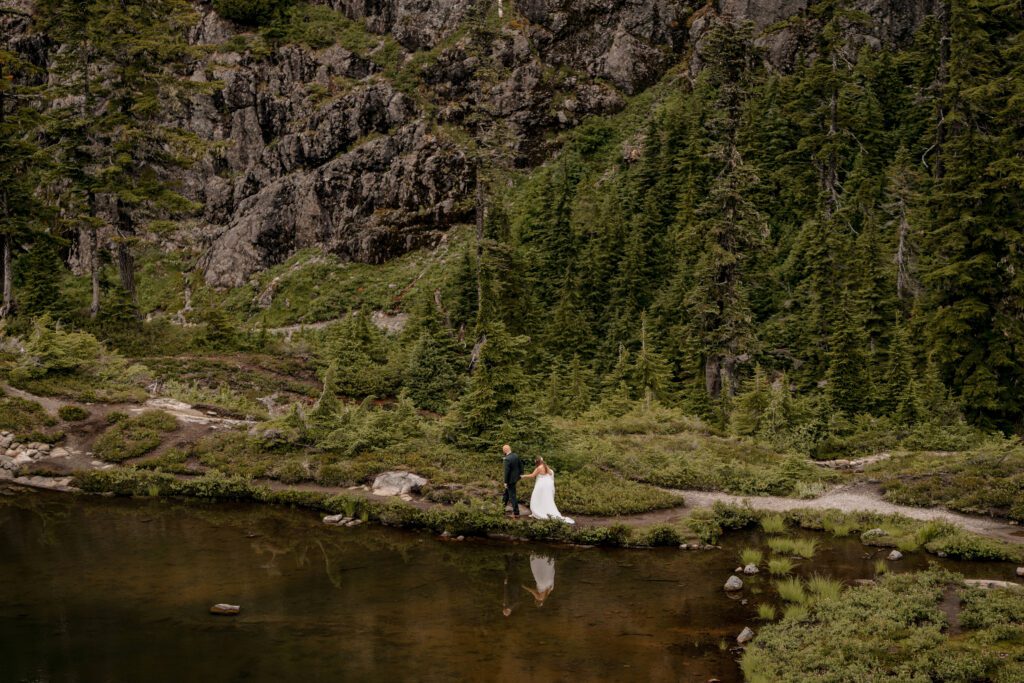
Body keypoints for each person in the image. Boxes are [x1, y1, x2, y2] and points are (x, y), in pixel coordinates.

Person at [521, 456, 574, 524]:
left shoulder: (539, 468)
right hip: (547, 484)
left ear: (537, 462)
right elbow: (551, 473)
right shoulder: (546, 466)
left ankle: (537, 512)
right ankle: (544, 510)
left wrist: (524, 476)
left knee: (537, 497)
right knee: (546, 498)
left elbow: (532, 475)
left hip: (541, 484)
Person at [501, 444, 523, 518]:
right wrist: (520, 475)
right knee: (506, 494)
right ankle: (501, 509)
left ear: (504, 450)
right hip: (515, 478)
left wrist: (505, 482)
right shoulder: (516, 455)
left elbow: (506, 472)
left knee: (512, 496)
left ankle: (516, 512)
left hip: (510, 480)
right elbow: (521, 465)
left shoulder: (507, 459)